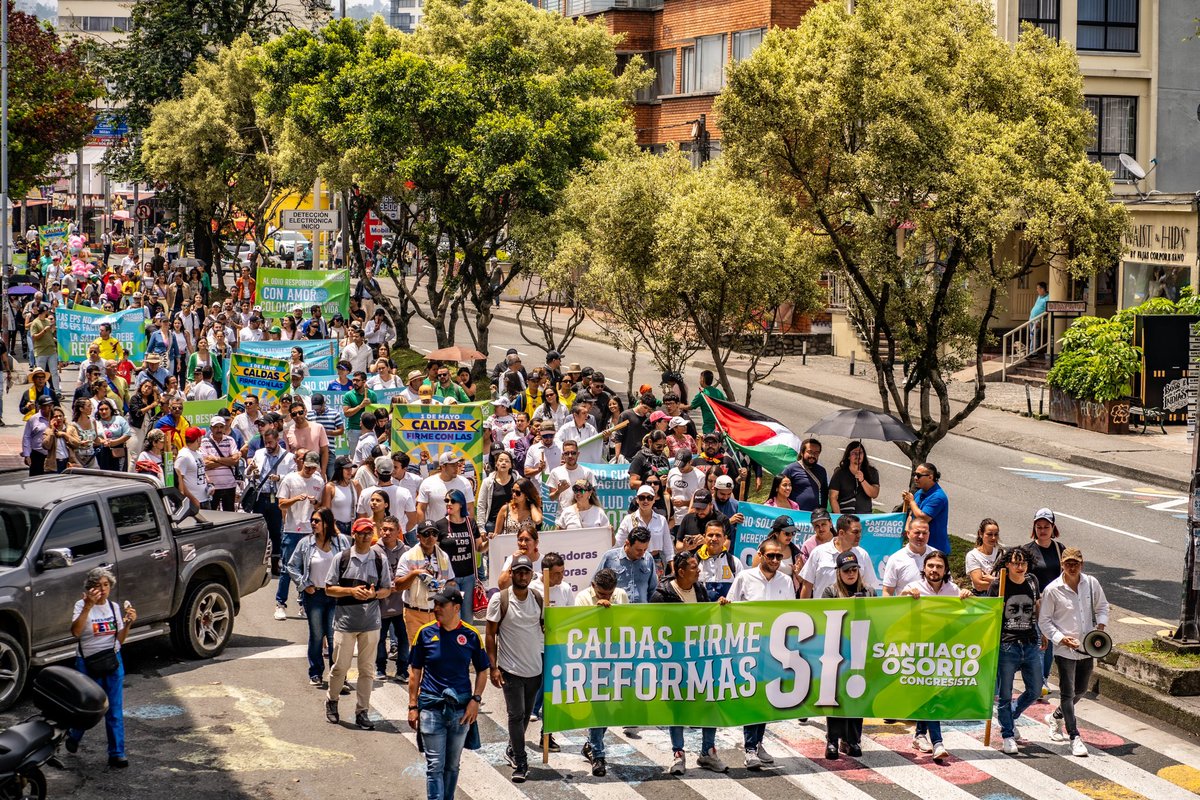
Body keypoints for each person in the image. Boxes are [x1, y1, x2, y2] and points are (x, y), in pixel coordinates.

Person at [408, 587, 489, 800]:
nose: (436, 609)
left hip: (461, 711)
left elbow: (483, 670)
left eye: (441, 605)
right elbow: (415, 673)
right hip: (431, 708)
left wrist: (476, 700)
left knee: (452, 765)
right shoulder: (424, 633)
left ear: (456, 608)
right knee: (435, 765)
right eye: (435, 605)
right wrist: (412, 706)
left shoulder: (471, 635)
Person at [651, 552, 728, 775]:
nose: (699, 570)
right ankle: (678, 753)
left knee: (709, 702)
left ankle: (708, 752)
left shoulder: (701, 590)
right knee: (678, 706)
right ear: (681, 571)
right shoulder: (661, 595)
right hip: (674, 660)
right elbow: (655, 629)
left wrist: (720, 605)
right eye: (694, 567)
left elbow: (706, 619)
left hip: (700, 657)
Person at [723, 538, 792, 768]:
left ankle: (758, 742)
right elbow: (730, 607)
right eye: (770, 555)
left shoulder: (786, 580)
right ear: (760, 555)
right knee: (752, 696)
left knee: (766, 697)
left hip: (776, 649)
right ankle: (750, 748)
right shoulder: (745, 577)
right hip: (750, 649)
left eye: (778, 556)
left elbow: (791, 614)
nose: (774, 560)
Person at [901, 549, 971, 762]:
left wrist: (967, 598)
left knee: (932, 694)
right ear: (924, 568)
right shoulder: (913, 588)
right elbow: (895, 611)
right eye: (930, 566)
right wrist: (905, 598)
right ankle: (938, 742)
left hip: (942, 652)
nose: (934, 570)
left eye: (939, 566)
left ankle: (920, 733)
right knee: (930, 693)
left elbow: (965, 615)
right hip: (919, 652)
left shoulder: (953, 590)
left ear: (945, 569)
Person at [1039, 547, 1108, 758]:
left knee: (1081, 690)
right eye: (1068, 563)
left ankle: (1056, 716)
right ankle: (1074, 736)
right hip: (1064, 649)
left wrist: (1101, 626)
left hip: (1087, 646)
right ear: (1062, 564)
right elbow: (1044, 621)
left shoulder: (1091, 583)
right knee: (1067, 692)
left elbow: (1103, 607)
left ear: (1082, 564)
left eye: (1075, 563)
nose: (1071, 566)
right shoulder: (1053, 589)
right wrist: (1060, 639)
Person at [65, 566, 137, 768]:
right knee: (89, 707)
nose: (102, 589)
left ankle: (117, 753)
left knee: (114, 709)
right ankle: (74, 735)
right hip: (87, 662)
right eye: (97, 586)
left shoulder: (114, 607)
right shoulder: (82, 605)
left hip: (113, 660)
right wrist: (89, 606)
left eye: (105, 585)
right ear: (89, 589)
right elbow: (76, 633)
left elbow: (119, 640)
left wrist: (128, 623)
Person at [324, 517, 392, 730]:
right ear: (354, 533)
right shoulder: (341, 558)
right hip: (345, 622)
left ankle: (362, 711)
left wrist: (374, 594)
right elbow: (328, 588)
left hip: (371, 622)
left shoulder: (379, 559)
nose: (365, 536)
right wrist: (351, 591)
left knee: (367, 669)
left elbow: (387, 589)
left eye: (368, 532)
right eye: (361, 532)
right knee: (340, 667)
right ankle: (332, 701)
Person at [485, 554, 543, 784]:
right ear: (511, 574)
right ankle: (521, 761)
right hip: (510, 670)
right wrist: (493, 667)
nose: (522, 576)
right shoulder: (500, 599)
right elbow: (490, 633)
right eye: (517, 572)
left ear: (531, 574)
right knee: (515, 714)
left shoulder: (538, 598)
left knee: (525, 716)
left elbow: (546, 627)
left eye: (526, 572)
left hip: (534, 670)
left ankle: (512, 747)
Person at [287, 508, 351, 687]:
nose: (313, 524)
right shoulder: (305, 543)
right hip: (314, 595)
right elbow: (292, 566)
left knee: (333, 637)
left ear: (327, 523)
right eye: (312, 520)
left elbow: (350, 564)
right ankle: (315, 672)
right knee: (316, 635)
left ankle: (338, 676)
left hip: (335, 594)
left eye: (317, 521)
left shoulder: (341, 542)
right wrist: (303, 584)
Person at [988, 546, 1042, 755]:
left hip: (1029, 642)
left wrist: (1042, 633)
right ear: (1007, 565)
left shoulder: (1032, 581)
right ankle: (1007, 734)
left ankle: (1010, 714)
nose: (1020, 567)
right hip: (1007, 644)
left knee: (1035, 689)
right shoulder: (998, 584)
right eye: (1015, 563)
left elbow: (1037, 606)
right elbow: (990, 614)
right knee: (1005, 693)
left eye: (1023, 563)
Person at [576, 568, 628, 777]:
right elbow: (578, 629)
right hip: (592, 661)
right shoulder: (581, 598)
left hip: (616, 659)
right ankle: (598, 754)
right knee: (598, 706)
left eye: (609, 594)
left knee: (610, 707)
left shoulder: (621, 596)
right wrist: (596, 613)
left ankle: (591, 744)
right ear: (593, 587)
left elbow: (628, 624)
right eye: (601, 594)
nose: (605, 598)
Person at [822, 550, 870, 758]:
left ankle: (852, 739)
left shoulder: (868, 591)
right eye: (846, 570)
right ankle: (832, 739)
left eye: (854, 570)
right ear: (838, 572)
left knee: (857, 693)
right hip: (837, 650)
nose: (851, 574)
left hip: (860, 649)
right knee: (835, 696)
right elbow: (823, 619)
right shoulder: (830, 591)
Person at [277, 451, 329, 619]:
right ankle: (280, 604)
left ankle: (303, 604)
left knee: (309, 568)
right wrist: (297, 498)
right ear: (302, 463)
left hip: (311, 530)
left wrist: (315, 503)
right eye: (307, 467)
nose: (309, 470)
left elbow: (320, 505)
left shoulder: (319, 481)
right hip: (292, 529)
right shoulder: (290, 479)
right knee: (287, 568)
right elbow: (281, 504)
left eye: (313, 468)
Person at [1021, 507, 1067, 692]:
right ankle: (1038, 682)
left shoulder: (1059, 548)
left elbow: (1065, 574)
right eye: (1039, 526)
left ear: (1053, 528)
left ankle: (1044, 678)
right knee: (1041, 640)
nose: (1042, 530)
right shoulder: (1027, 550)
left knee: (1051, 644)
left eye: (1046, 526)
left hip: (1056, 603)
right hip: (1036, 603)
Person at [395, 520, 457, 653]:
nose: (431, 537)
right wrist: (414, 574)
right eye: (426, 534)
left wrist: (442, 588)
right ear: (418, 536)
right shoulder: (407, 557)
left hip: (438, 611)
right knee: (418, 653)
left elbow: (451, 582)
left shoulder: (443, 556)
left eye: (434, 533)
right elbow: (398, 585)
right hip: (415, 612)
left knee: (440, 652)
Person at [436, 490, 485, 622]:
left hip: (469, 577)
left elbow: (479, 548)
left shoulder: (470, 523)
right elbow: (435, 552)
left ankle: (466, 642)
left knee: (467, 617)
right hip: (450, 578)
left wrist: (491, 542)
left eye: (453, 501)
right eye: (446, 501)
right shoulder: (440, 525)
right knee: (454, 616)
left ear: (461, 504)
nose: (449, 504)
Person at [373, 516, 410, 682]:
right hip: (380, 605)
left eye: (391, 530)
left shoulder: (407, 552)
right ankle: (380, 668)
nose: (386, 533)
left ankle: (402, 670)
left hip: (402, 604)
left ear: (398, 532)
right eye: (384, 529)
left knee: (403, 638)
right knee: (379, 639)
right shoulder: (374, 551)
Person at [902, 462, 950, 554]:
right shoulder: (919, 492)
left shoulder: (938, 497)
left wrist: (911, 501)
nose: (915, 478)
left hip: (934, 549)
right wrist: (907, 528)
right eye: (915, 474)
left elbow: (923, 518)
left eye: (919, 475)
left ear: (930, 477)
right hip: (918, 546)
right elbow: (912, 514)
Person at [417, 452, 476, 524]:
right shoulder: (428, 483)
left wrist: (469, 528)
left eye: (457, 464)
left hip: (458, 532)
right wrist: (424, 529)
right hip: (435, 532)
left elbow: (470, 508)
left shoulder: (465, 483)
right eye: (452, 465)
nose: (456, 468)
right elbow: (421, 509)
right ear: (443, 466)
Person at [881, 518, 932, 597]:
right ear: (908, 533)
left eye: (924, 533)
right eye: (917, 532)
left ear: (929, 534)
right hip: (906, 608)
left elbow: (948, 585)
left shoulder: (937, 556)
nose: (921, 536)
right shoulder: (896, 559)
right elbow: (887, 592)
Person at [828, 440, 880, 514]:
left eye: (860, 453)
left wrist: (862, 480)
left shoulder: (872, 472)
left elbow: (874, 494)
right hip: (845, 515)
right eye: (854, 453)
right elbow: (833, 497)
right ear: (848, 456)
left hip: (864, 516)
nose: (858, 456)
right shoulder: (840, 473)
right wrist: (839, 517)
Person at [780, 438, 827, 512]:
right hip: (794, 513)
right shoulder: (791, 469)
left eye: (816, 453)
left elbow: (824, 492)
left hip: (814, 515)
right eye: (810, 452)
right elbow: (779, 488)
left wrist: (823, 510)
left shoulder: (822, 471)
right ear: (802, 453)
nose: (813, 455)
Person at [476, 450, 516, 534]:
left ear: (511, 465)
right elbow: (481, 505)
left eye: (507, 461)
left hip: (512, 523)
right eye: (500, 460)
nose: (503, 463)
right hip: (492, 524)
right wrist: (481, 528)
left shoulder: (516, 481)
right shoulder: (487, 482)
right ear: (496, 464)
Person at [174, 427, 211, 512]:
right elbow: (179, 480)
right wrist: (191, 498)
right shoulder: (183, 456)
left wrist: (208, 482)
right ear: (198, 439)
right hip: (193, 501)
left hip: (205, 499)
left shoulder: (198, 453)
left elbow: (200, 470)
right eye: (201, 437)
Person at [547, 440, 594, 507]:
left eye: (573, 453)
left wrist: (582, 491)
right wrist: (559, 491)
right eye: (567, 453)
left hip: (583, 514)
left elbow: (593, 495)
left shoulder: (587, 472)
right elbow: (551, 498)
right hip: (563, 515)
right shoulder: (555, 472)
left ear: (578, 454)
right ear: (563, 455)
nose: (570, 456)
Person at [496, 522, 542, 591]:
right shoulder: (511, 559)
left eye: (527, 540)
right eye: (520, 540)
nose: (523, 544)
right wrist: (513, 563)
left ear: (536, 543)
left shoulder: (543, 561)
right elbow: (502, 586)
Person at [21, 395, 55, 475]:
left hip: (52, 455)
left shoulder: (56, 418)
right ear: (41, 407)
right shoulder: (33, 419)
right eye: (47, 406)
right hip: (37, 455)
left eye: (51, 405)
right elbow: (27, 437)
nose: (50, 408)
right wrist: (27, 455)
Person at [967, 518, 1002, 596]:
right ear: (980, 533)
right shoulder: (973, 555)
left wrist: (993, 580)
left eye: (996, 534)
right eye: (989, 534)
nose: (993, 538)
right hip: (982, 598)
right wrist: (1001, 583)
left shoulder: (1002, 553)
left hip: (1000, 597)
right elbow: (979, 586)